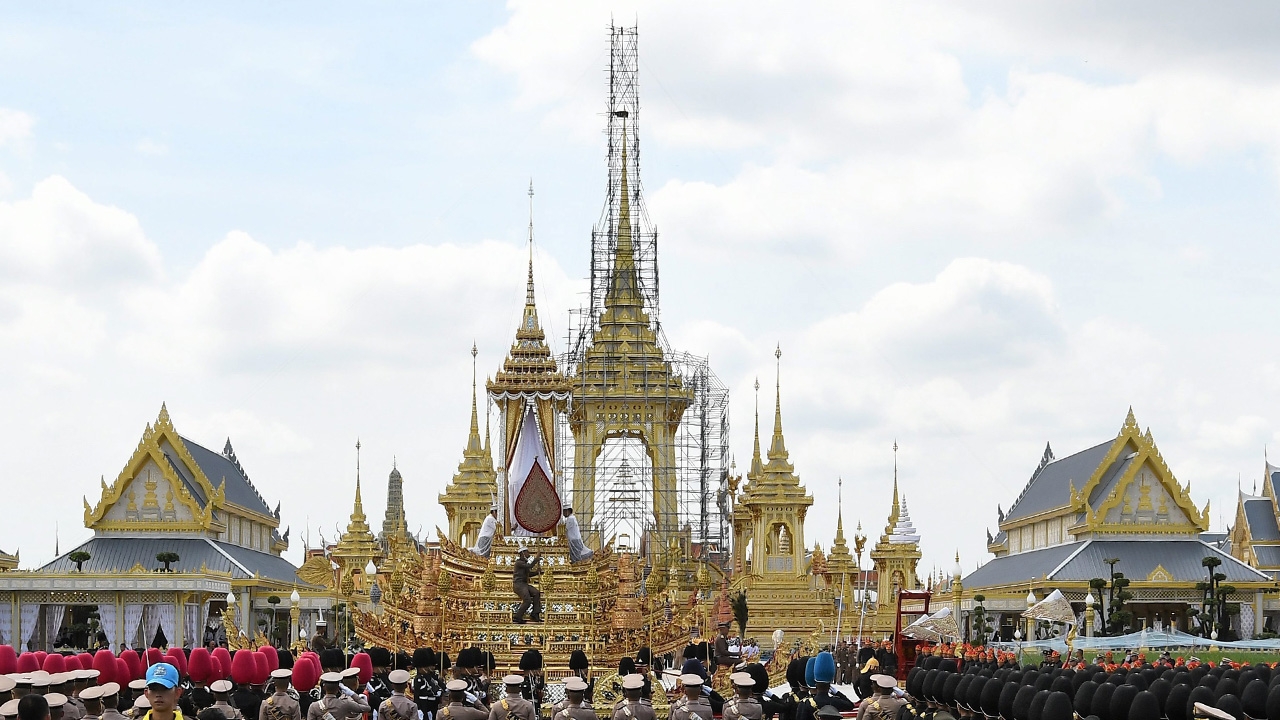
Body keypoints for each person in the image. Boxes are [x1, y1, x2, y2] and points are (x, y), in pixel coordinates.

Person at [511, 548, 542, 624]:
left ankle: (535, 613)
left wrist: (536, 572)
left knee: (536, 593)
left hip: (524, 584)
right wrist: (536, 559)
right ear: (523, 553)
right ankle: (517, 617)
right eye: (527, 552)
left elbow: (528, 574)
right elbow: (530, 566)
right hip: (518, 585)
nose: (529, 554)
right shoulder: (519, 563)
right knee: (527, 600)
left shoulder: (524, 563)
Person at [410, 650, 443, 720]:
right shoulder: (418, 680)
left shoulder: (430, 678)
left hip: (433, 707)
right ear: (420, 668)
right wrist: (420, 710)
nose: (427, 669)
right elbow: (417, 696)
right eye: (425, 667)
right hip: (424, 707)